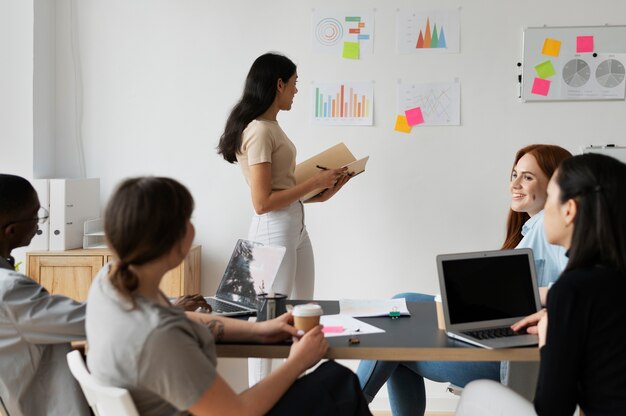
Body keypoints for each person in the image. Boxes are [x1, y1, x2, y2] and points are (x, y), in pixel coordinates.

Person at [86, 176, 371, 416]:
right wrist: (299, 361)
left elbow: (179, 318)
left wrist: (259, 330)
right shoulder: (160, 339)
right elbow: (237, 413)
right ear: (172, 243)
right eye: (188, 219)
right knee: (339, 384)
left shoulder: (109, 283)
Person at [356, 144, 572, 416]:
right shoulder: (532, 228)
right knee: (401, 312)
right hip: (504, 343)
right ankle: (351, 402)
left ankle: (348, 404)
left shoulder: (546, 226)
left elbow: (572, 290)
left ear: (555, 185)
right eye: (514, 175)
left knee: (396, 329)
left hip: (515, 360)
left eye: (527, 177)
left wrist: (521, 295)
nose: (515, 184)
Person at [456, 153, 626, 416]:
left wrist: (550, 338)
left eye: (551, 197)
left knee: (479, 391)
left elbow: (554, 408)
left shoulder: (573, 289)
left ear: (569, 210)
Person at [217, 52, 351, 384]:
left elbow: (280, 189)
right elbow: (262, 202)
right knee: (265, 323)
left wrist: (322, 191)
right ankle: (260, 400)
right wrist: (314, 182)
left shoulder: (270, 127)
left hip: (293, 225)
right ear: (279, 84)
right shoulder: (260, 131)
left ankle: (296, 392)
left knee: (305, 310)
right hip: (272, 230)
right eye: (294, 84)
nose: (296, 91)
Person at [0, 174, 89, 416]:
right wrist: (171, 306)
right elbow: (93, 321)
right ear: (11, 230)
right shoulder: (10, 291)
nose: (40, 223)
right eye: (36, 215)